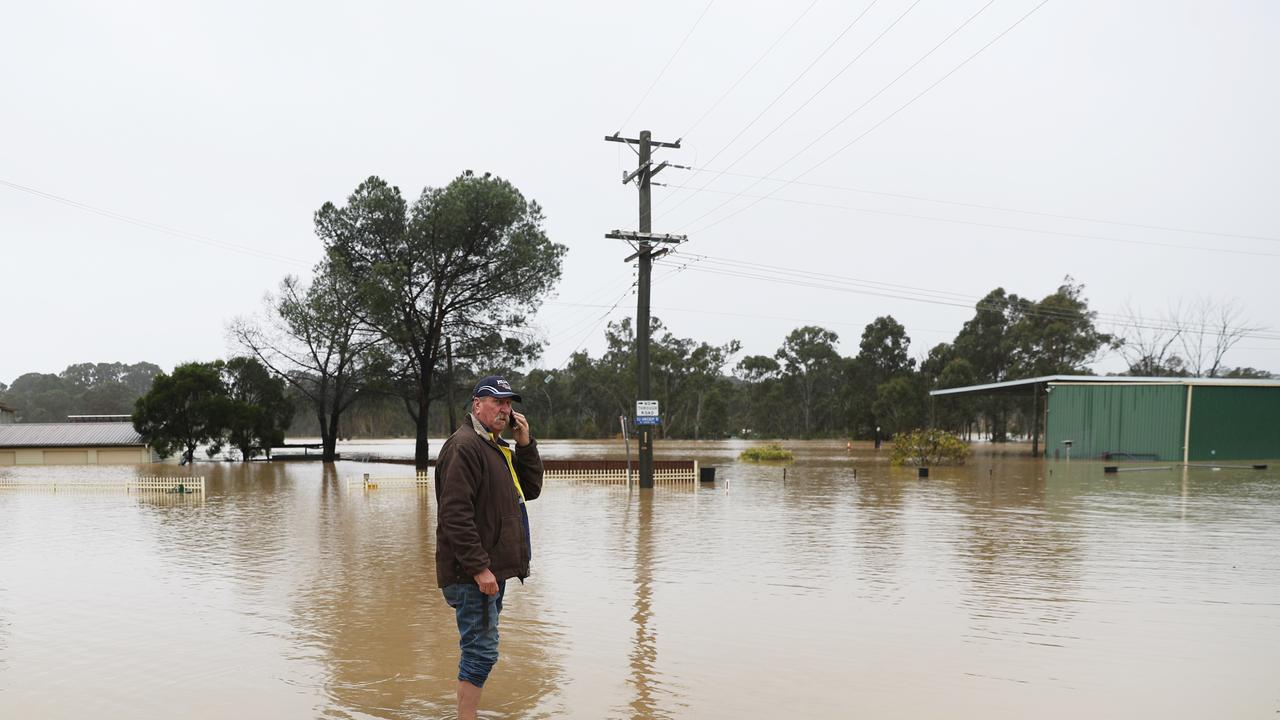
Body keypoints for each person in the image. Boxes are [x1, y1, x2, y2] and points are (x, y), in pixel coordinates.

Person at [435, 374, 543, 720]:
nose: (504, 409)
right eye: (497, 402)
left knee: (479, 648)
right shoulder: (464, 447)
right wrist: (479, 568)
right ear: (477, 405)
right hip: (473, 574)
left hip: (490, 571)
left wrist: (525, 443)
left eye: (509, 403)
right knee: (481, 651)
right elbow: (455, 515)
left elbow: (531, 488)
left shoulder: (496, 447)